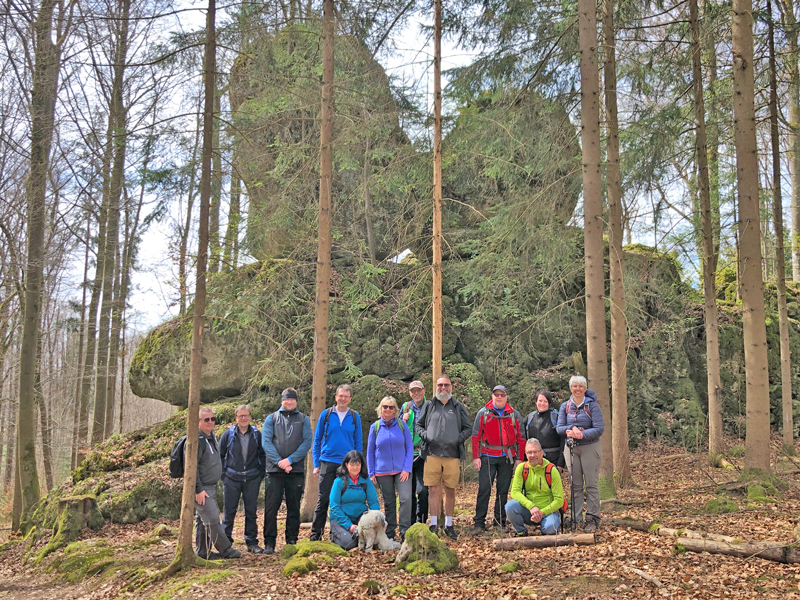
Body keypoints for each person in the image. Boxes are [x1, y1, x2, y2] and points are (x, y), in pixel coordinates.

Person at [414, 374, 471, 540]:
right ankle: (433, 524)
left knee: (450, 490)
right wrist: (427, 436)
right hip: (432, 454)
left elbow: (467, 428)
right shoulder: (430, 405)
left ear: (451, 387)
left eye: (446, 385)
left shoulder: (458, 406)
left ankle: (449, 524)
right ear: (436, 387)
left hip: (452, 455)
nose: (443, 388)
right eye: (440, 385)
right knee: (433, 490)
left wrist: (456, 439)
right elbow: (418, 425)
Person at [262, 388, 312, 554]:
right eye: (286, 399)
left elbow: (306, 442)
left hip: (295, 471)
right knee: (271, 507)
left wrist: (290, 460)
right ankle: (269, 543)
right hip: (274, 471)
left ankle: (291, 540)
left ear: (296, 401)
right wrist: (280, 462)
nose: (289, 402)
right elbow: (266, 443)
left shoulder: (303, 419)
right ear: (281, 400)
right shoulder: (272, 419)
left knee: (293, 507)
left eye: (292, 399)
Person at [310, 384, 363, 541]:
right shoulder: (326, 415)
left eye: (346, 396)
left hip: (347, 464)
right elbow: (317, 440)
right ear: (336, 397)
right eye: (341, 396)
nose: (343, 399)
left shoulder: (354, 416)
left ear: (350, 399)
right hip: (327, 461)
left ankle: (339, 535)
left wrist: (357, 464)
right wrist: (316, 464)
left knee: (343, 499)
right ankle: (315, 535)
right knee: (324, 499)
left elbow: (358, 442)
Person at [470, 385, 525, 534]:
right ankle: (479, 523)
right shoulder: (483, 413)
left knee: (502, 491)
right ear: (492, 396)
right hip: (487, 456)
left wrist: (519, 458)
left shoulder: (514, 414)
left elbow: (521, 438)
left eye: (502, 395)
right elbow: (475, 436)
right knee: (484, 490)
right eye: (496, 395)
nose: (499, 397)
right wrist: (476, 457)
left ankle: (499, 522)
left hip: (507, 458)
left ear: (506, 397)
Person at [556, 375, 605, 533]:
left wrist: (582, 433)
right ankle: (576, 518)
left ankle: (592, 517)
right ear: (570, 388)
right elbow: (559, 427)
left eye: (580, 386)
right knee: (575, 485)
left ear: (585, 388)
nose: (577, 389)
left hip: (590, 447)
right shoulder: (565, 406)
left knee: (591, 484)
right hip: (571, 448)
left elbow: (599, 429)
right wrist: (570, 430)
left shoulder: (592, 406)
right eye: (574, 386)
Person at [194, 406, 241, 559]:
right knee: (213, 520)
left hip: (211, 486)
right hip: (202, 489)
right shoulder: (196, 439)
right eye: (206, 419)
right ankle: (226, 549)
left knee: (203, 521)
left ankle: (202, 552)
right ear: (198, 421)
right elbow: (191, 467)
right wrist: (198, 490)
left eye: (212, 419)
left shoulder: (211, 435)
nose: (210, 422)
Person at [219, 404, 266, 554]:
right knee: (229, 512)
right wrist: (223, 475)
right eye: (241, 416)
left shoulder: (257, 435)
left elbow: (263, 455)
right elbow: (219, 455)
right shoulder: (228, 435)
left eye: (246, 415)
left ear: (250, 417)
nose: (244, 418)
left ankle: (252, 542)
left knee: (251, 512)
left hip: (252, 478)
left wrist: (260, 474)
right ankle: (225, 544)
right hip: (231, 478)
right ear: (236, 418)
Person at [367, 396, 413, 540]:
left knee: (406, 499)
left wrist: (407, 468)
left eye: (391, 407)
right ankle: (390, 532)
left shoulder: (401, 425)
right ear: (380, 409)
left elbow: (409, 447)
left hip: (402, 471)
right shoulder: (374, 427)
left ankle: (405, 530)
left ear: (395, 410)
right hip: (382, 471)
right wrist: (371, 472)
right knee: (389, 502)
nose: (387, 409)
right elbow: (370, 451)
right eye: (385, 407)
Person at [505, 438, 565, 536]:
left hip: (548, 511)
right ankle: (521, 531)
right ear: (526, 454)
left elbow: (559, 500)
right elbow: (515, 492)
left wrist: (542, 513)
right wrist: (531, 506)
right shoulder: (521, 468)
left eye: (535, 452)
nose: (532, 455)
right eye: (529, 453)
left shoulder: (551, 470)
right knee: (510, 506)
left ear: (541, 453)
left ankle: (545, 529)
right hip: (529, 511)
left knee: (551, 528)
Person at [328, 450, 380, 550]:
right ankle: (335, 535)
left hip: (360, 517)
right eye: (352, 464)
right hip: (341, 519)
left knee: (371, 541)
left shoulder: (366, 481)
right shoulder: (339, 482)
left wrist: (375, 519)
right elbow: (334, 506)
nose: (355, 467)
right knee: (350, 544)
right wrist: (349, 526)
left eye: (358, 464)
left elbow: (373, 501)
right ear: (346, 465)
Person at [401, 380, 429, 524]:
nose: (416, 393)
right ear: (410, 393)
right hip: (407, 456)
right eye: (413, 391)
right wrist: (402, 420)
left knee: (423, 490)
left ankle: (421, 521)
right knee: (408, 492)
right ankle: (410, 522)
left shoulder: (430, 406)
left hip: (424, 454)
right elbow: (398, 427)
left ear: (424, 391)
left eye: (419, 390)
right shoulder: (406, 407)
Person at [524, 390, 566, 471]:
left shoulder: (556, 418)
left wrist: (560, 464)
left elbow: (563, 442)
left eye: (545, 401)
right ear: (536, 402)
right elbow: (523, 439)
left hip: (553, 461)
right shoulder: (529, 418)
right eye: (540, 401)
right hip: (533, 460)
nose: (542, 404)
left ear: (549, 403)